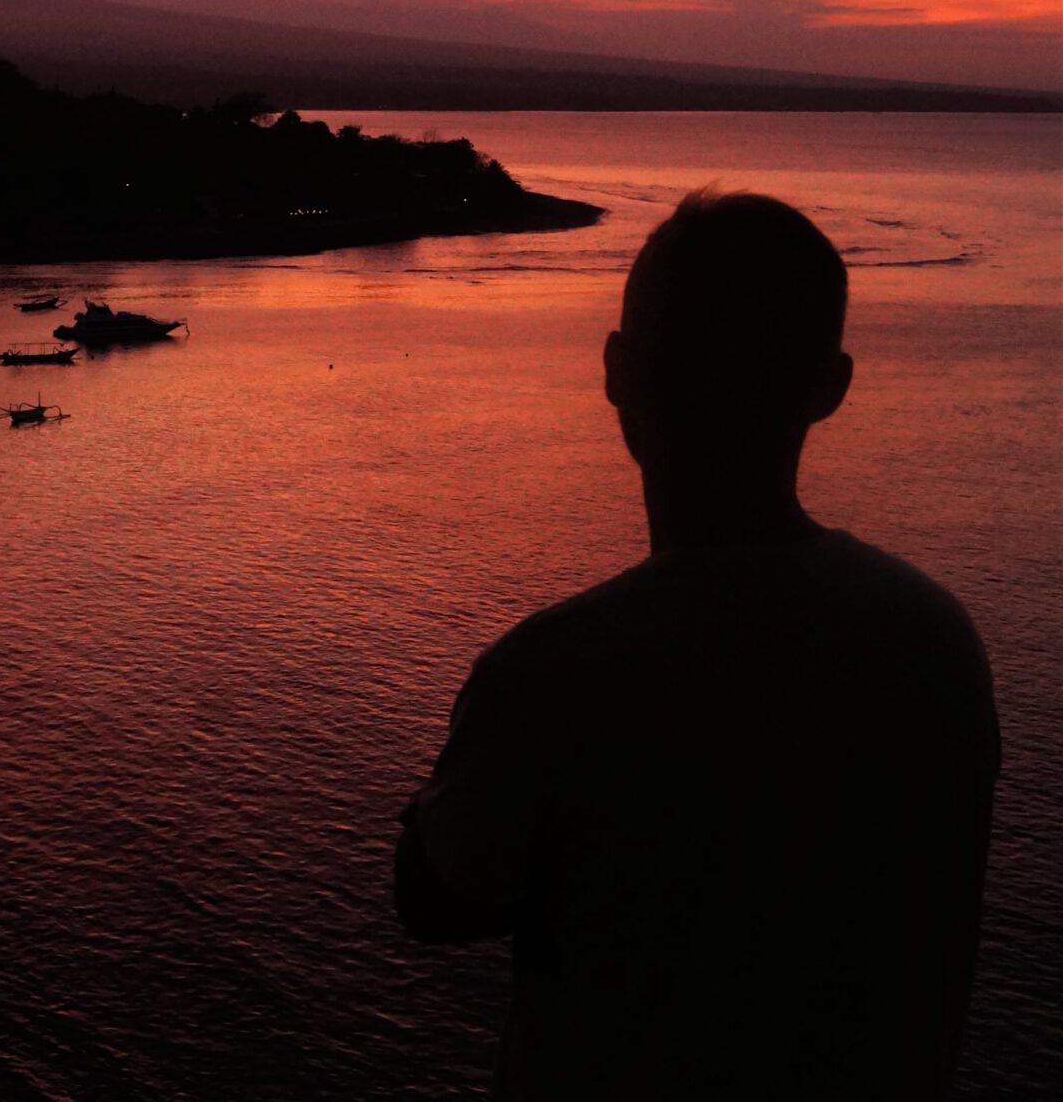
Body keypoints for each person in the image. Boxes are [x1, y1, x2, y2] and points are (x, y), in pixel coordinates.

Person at [396, 190, 1000, 1099]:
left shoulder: (559, 672)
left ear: (616, 371)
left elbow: (438, 897)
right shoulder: (937, 639)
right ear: (831, 387)